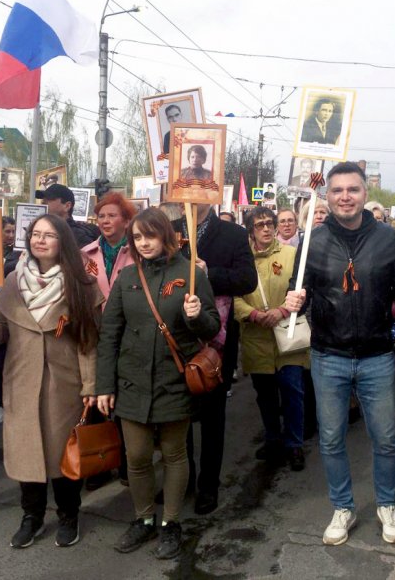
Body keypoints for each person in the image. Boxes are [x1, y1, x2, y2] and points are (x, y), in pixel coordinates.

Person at [284, 162, 395, 547]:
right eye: (338, 190)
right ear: (327, 196)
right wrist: (295, 299)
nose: (345, 196)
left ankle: (387, 504)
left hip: (378, 354)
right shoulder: (313, 240)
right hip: (328, 355)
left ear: (366, 194)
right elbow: (301, 293)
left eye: (353, 189)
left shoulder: (388, 239)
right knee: (330, 439)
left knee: (385, 438)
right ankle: (343, 506)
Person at [0, 214, 103, 548]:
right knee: (26, 455)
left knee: (63, 455)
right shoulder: (14, 280)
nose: (40, 240)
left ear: (64, 242)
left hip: (64, 384)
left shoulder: (81, 283)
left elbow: (89, 342)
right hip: (20, 380)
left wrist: (90, 386)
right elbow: (1, 328)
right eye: (35, 234)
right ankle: (31, 517)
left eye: (49, 235)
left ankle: (69, 516)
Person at [96, 208, 220, 559]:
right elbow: (109, 336)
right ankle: (143, 519)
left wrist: (196, 318)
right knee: (135, 457)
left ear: (166, 235)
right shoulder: (126, 278)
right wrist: (104, 385)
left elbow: (212, 328)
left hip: (173, 380)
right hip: (132, 381)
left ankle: (171, 522)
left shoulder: (191, 274)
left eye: (149, 235)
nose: (143, 243)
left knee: (173, 454)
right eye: (137, 237)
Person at [171, 204, 258, 515]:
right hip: (174, 338)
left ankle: (209, 484)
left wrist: (209, 274)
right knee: (177, 416)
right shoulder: (170, 228)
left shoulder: (233, 234)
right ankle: (182, 480)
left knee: (212, 417)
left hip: (216, 341)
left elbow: (247, 280)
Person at [234, 207, 308, 470]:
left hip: (288, 335)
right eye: (259, 225)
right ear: (250, 230)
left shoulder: (291, 254)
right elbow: (234, 297)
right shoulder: (242, 259)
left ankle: (294, 445)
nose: (266, 229)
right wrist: (252, 313)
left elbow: (302, 287)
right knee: (265, 395)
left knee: (293, 391)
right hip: (257, 338)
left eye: (269, 223)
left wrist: (282, 310)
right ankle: (273, 439)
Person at [80, 192, 136, 489]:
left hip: (128, 334)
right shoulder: (85, 253)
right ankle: (99, 463)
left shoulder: (137, 251)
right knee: (95, 401)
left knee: (123, 402)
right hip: (95, 335)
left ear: (126, 221)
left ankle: (128, 464)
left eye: (112, 215)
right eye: (101, 216)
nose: (105, 220)